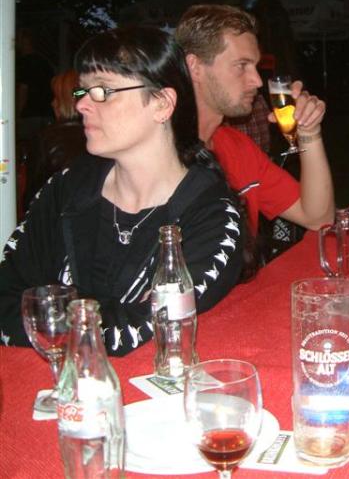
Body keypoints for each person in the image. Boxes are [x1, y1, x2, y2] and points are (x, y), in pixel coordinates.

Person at [0, 26, 247, 356]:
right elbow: (7, 297)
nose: (82, 104)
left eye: (103, 90)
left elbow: (147, 329)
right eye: (83, 91)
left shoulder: (210, 216)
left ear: (161, 104)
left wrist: (53, 315)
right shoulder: (68, 188)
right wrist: (106, 314)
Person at [175, 4, 335, 235]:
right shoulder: (158, 155)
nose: (258, 81)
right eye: (242, 65)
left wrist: (310, 132)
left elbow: (319, 219)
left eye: (255, 66)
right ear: (195, 67)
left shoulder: (238, 148)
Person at [25, 69, 87, 205]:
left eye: (56, 97)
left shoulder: (46, 138)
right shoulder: (100, 135)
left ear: (65, 101)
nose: (52, 103)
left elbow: (33, 192)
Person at [15, 28, 55, 139]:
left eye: (18, 39)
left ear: (25, 41)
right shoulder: (45, 62)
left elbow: (23, 89)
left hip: (30, 116)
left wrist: (18, 113)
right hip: (47, 114)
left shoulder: (23, 63)